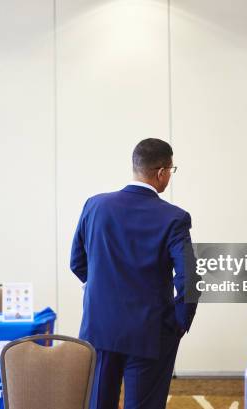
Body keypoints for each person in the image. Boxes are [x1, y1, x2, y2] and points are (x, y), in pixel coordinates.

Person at [70, 138, 197, 409]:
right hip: (151, 332)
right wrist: (179, 322)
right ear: (162, 172)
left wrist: (99, 291)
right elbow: (190, 278)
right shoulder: (174, 218)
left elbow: (77, 262)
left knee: (98, 404)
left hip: (100, 327)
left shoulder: (95, 206)